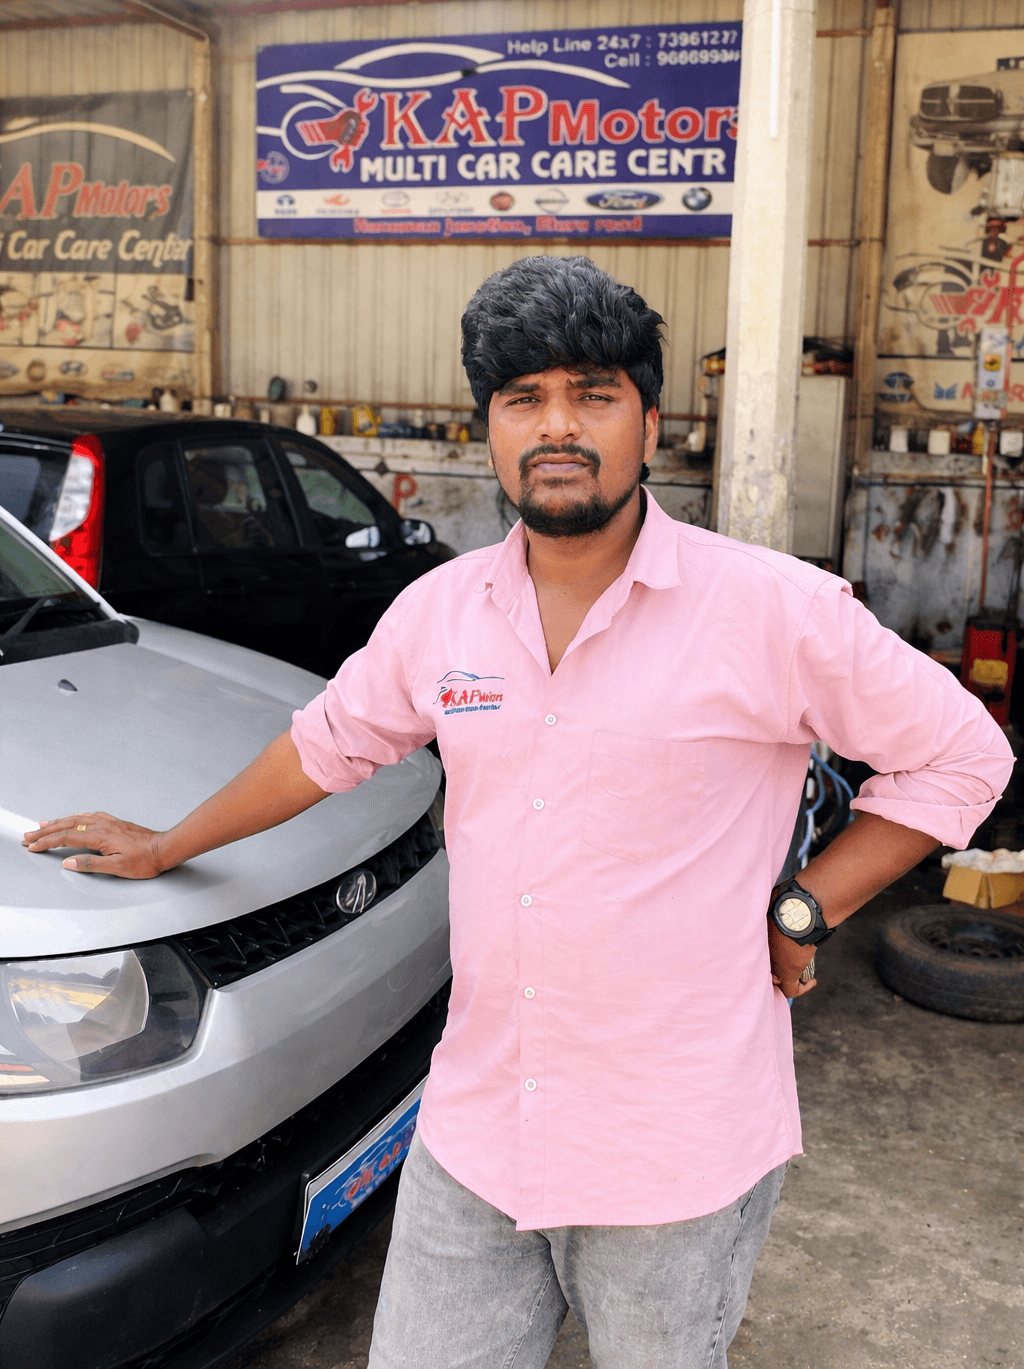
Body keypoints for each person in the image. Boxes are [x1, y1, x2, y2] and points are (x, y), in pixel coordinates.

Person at [25, 256, 1013, 1369]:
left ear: (651, 418)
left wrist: (801, 908)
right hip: (479, 1130)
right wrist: (170, 843)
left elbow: (960, 755)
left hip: (674, 1153)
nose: (558, 425)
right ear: (488, 426)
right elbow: (326, 744)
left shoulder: (770, 611)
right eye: (521, 398)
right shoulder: (440, 615)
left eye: (592, 393)